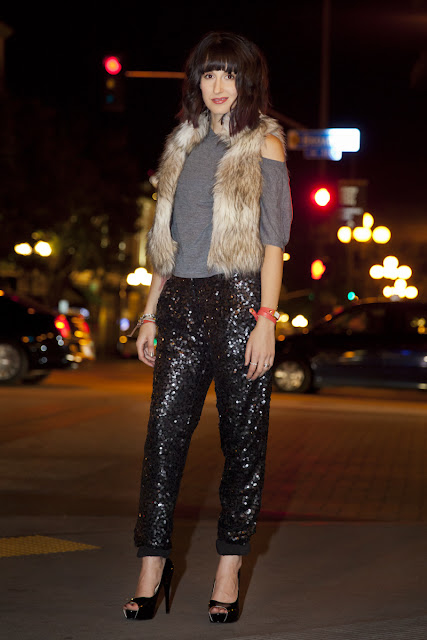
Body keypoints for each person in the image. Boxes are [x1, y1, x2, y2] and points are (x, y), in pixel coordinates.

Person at [123, 30, 293, 623]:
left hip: (240, 300)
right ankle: (152, 566)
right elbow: (166, 244)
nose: (218, 85)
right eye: (208, 73)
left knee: (243, 442)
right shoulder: (182, 146)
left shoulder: (264, 144)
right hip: (181, 305)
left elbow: (273, 243)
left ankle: (228, 567)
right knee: (163, 438)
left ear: (247, 82)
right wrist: (149, 312)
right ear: (197, 81)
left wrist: (265, 320)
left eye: (229, 74)